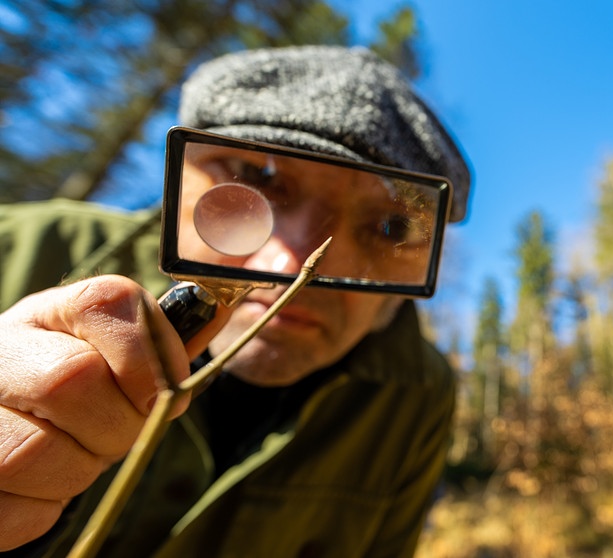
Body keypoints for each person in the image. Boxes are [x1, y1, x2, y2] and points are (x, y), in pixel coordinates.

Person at [0, 45, 471, 557]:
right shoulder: (20, 248)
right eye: (256, 179)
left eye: (390, 227)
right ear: (175, 193)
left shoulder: (416, 400)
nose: (291, 269)